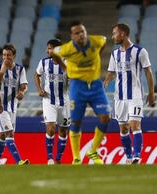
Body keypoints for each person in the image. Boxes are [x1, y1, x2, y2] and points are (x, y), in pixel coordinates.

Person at [52, 21, 110, 165]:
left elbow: (104, 40)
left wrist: (96, 56)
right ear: (72, 36)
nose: (81, 35)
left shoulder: (96, 41)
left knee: (105, 117)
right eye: (77, 33)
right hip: (78, 86)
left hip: (96, 85)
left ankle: (93, 151)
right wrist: (64, 67)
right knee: (76, 121)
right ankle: (76, 157)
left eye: (82, 31)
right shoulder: (67, 49)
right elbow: (54, 53)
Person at [104, 23, 155, 164]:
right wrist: (105, 82)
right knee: (123, 128)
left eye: (114, 33)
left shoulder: (140, 51)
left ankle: (137, 156)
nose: (112, 36)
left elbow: (148, 73)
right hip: (119, 97)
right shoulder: (114, 54)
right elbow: (111, 72)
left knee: (134, 125)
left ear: (123, 34)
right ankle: (128, 157)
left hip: (136, 95)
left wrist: (151, 93)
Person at [34, 39, 70, 165]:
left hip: (64, 101)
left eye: (50, 48)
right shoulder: (43, 62)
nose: (47, 50)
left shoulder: (67, 63)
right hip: (49, 100)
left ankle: (58, 159)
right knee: (50, 128)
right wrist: (39, 89)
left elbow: (73, 79)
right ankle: (49, 158)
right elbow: (36, 75)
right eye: (47, 48)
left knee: (63, 130)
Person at [0, 44, 30, 165]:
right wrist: (3, 69)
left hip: (13, 106)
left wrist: (21, 92)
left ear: (14, 56)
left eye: (8, 55)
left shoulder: (20, 69)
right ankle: (19, 161)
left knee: (3, 135)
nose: (5, 58)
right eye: (4, 55)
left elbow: (24, 85)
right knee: (9, 133)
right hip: (0, 106)